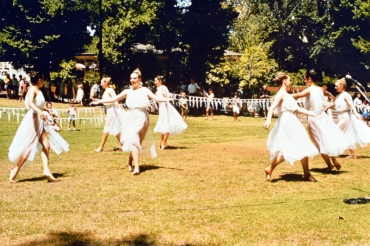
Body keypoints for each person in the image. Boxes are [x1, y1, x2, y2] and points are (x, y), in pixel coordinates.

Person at [91, 70, 171, 175]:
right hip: (131, 117)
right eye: (131, 78)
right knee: (134, 140)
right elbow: (114, 99)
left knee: (137, 142)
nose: (132, 80)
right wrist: (100, 101)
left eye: (135, 78)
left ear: (140, 79)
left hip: (143, 117)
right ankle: (137, 167)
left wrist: (167, 99)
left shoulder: (145, 90)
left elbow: (156, 98)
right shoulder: (127, 91)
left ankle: (129, 161)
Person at [8, 73, 69, 183]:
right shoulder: (33, 90)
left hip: (40, 120)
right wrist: (40, 112)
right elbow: (31, 103)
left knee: (46, 145)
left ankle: (46, 170)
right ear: (40, 79)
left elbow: (39, 104)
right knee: (29, 146)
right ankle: (15, 170)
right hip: (34, 120)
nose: (44, 81)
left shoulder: (39, 90)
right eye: (43, 79)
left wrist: (47, 110)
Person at [263, 72, 320, 182]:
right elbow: (272, 108)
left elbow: (297, 109)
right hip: (286, 122)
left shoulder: (287, 95)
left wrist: (313, 114)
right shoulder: (281, 94)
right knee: (288, 148)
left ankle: (306, 173)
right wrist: (268, 120)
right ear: (284, 81)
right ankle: (269, 168)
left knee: (303, 145)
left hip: (293, 121)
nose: (290, 82)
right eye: (289, 80)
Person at [292, 69, 349, 172]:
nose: (305, 81)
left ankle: (330, 164)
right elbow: (325, 95)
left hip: (313, 117)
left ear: (309, 79)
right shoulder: (320, 89)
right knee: (325, 138)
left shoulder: (310, 89)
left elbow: (297, 96)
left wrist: (282, 96)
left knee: (319, 142)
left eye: (305, 79)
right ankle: (334, 161)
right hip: (323, 116)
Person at [330, 78, 370, 159]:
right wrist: (326, 107)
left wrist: (356, 114)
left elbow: (351, 105)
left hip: (345, 116)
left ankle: (332, 150)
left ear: (341, 86)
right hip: (340, 115)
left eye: (336, 86)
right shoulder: (338, 95)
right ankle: (353, 154)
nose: (335, 87)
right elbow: (334, 104)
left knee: (336, 131)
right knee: (346, 135)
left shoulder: (346, 95)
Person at [154, 75, 187, 149]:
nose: (155, 82)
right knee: (162, 124)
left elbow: (167, 96)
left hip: (165, 107)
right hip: (161, 107)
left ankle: (164, 143)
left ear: (160, 81)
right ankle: (161, 143)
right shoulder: (159, 89)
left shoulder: (163, 87)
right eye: (155, 80)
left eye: (156, 81)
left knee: (166, 124)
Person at [94, 77, 124, 152]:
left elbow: (115, 99)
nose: (101, 84)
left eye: (102, 82)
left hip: (112, 110)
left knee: (106, 128)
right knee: (116, 129)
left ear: (106, 83)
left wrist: (117, 108)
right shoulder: (105, 91)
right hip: (109, 110)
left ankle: (101, 147)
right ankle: (123, 145)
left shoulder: (110, 90)